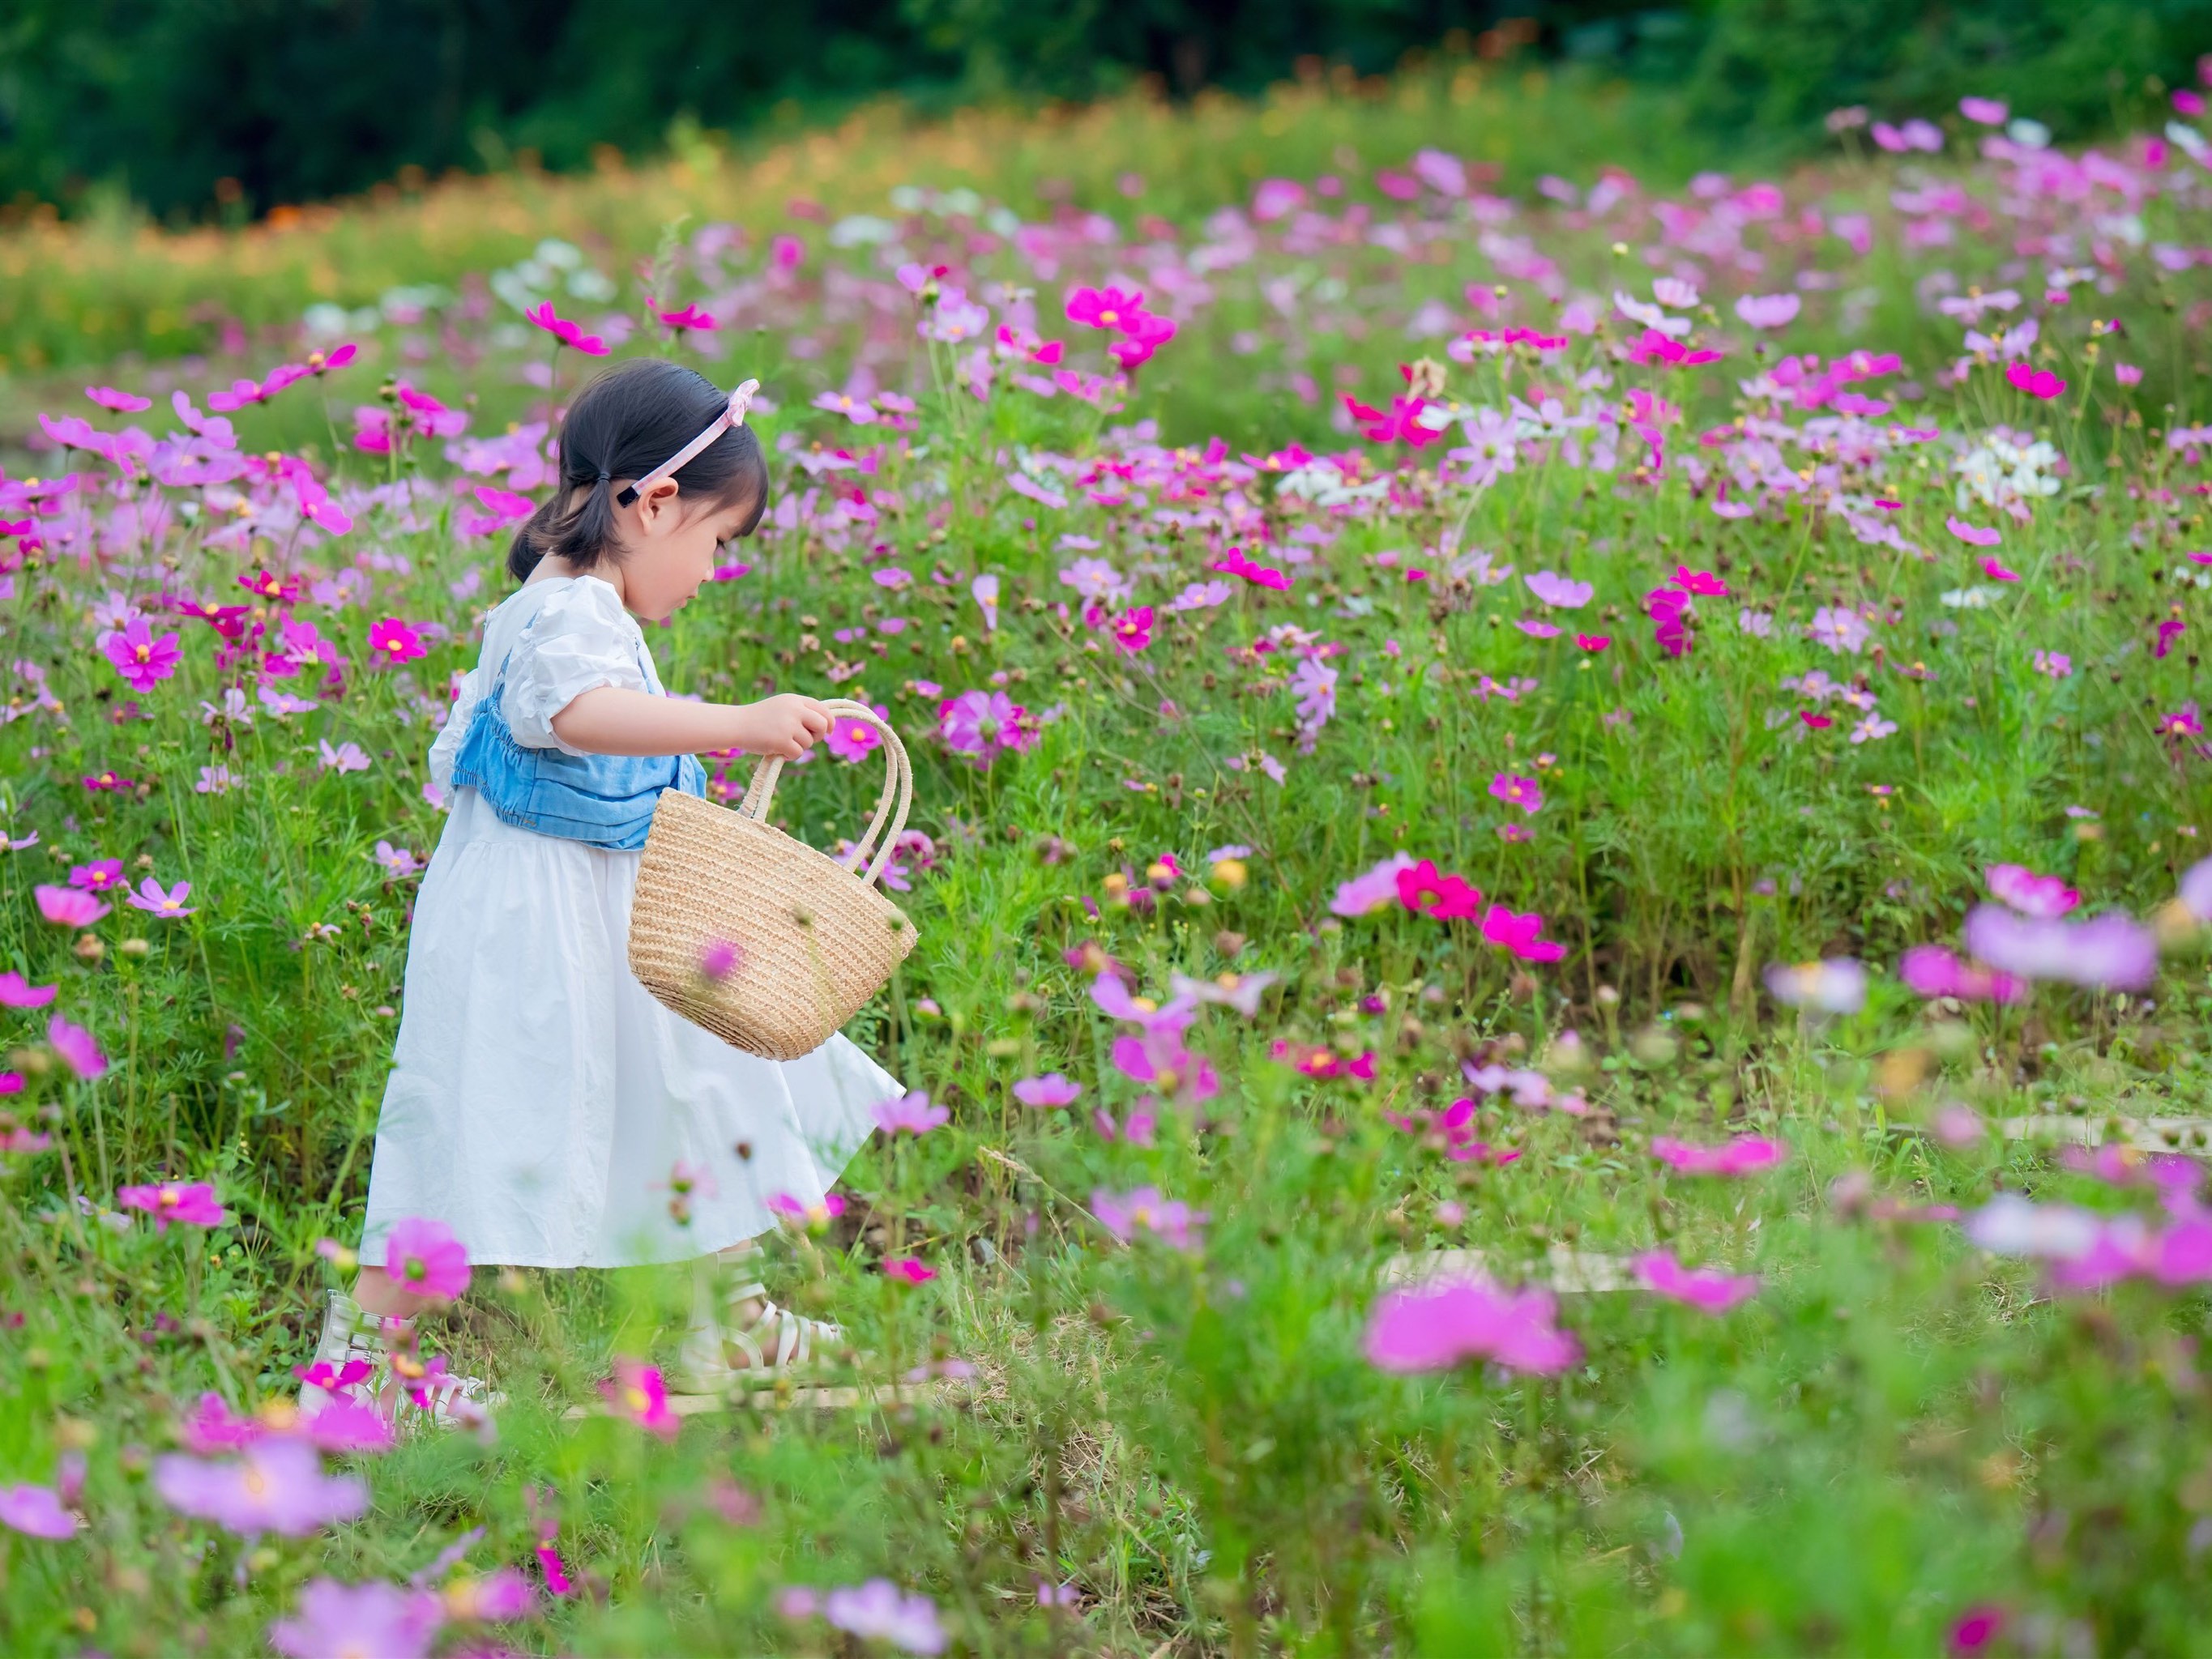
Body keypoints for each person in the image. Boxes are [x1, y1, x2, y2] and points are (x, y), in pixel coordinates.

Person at [301, 359, 902, 1422]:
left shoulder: (566, 601)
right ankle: (361, 1378)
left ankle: (734, 1320)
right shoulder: (571, 608)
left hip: (597, 908)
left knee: (693, 1093)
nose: (716, 570)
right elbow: (573, 716)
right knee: (475, 1122)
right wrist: (740, 720)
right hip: (535, 925)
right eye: (719, 543)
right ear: (653, 500)